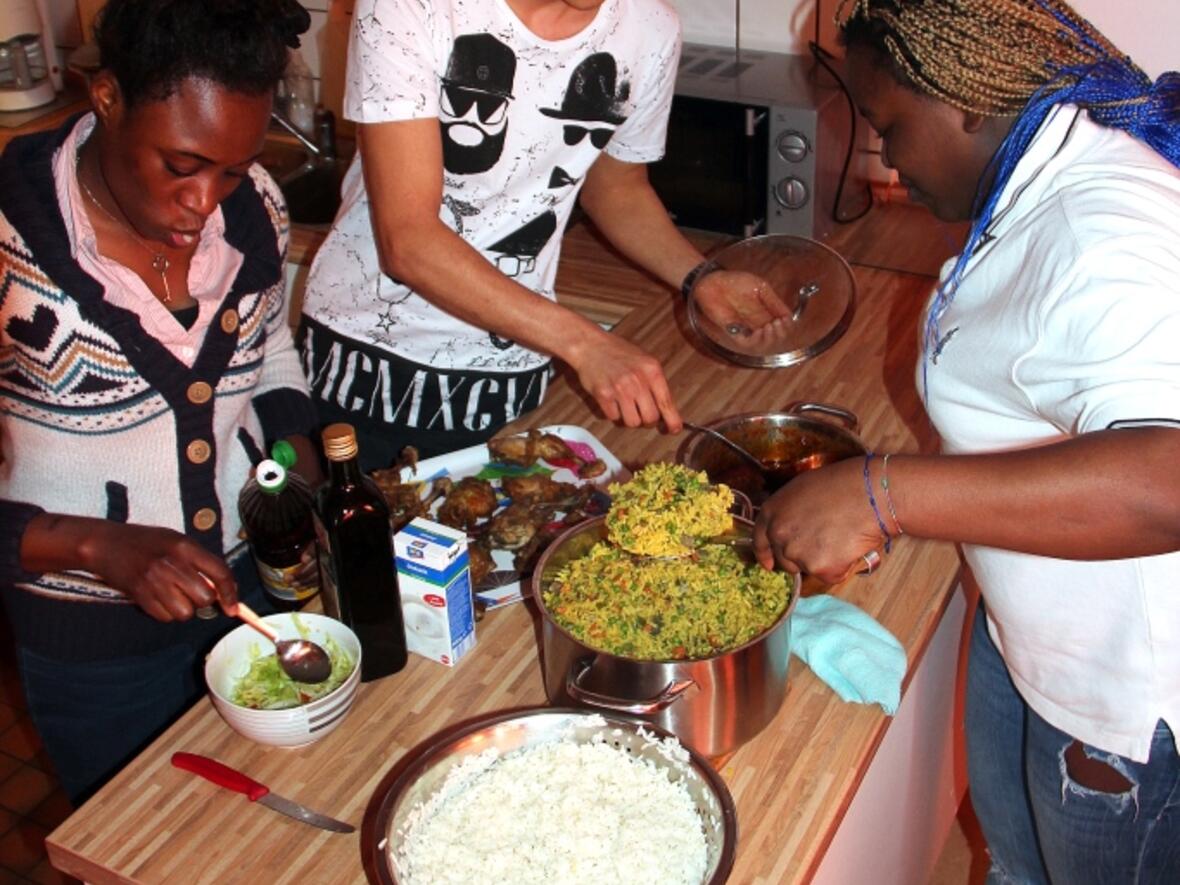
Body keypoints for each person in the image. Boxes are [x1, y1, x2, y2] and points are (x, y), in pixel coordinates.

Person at [753, 0, 1180, 880]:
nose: (886, 158)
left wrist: (883, 495)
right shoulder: (1037, 176)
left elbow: (1168, 480)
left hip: (1122, 700)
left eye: (889, 126)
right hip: (1032, 624)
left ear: (968, 103)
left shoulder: (1101, 231)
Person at [0, 0, 321, 804]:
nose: (205, 201)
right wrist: (99, 548)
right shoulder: (11, 230)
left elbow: (269, 349)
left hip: (254, 600)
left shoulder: (257, 212)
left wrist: (300, 469)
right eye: (180, 165)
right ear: (107, 98)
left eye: (231, 169)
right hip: (97, 650)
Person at [297, 0, 787, 469]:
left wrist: (700, 276)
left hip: (512, 376)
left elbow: (617, 189)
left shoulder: (650, 29)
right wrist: (583, 344)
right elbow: (409, 240)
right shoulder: (412, 6)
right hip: (370, 375)